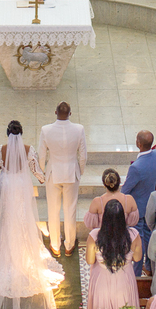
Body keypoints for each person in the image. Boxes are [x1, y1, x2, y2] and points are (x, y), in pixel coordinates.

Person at [0, 120, 64, 309]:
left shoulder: (1, 149)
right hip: (21, 185)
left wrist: (4, 165)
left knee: (6, 217)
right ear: (22, 133)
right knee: (23, 219)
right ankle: (24, 256)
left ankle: (6, 253)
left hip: (8, 184)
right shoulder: (28, 149)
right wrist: (43, 179)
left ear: (7, 133)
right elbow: (35, 170)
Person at [36, 101, 89, 256]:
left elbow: (42, 155)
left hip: (53, 174)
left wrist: (42, 173)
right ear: (70, 113)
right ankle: (69, 244)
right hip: (72, 173)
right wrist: (81, 171)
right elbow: (83, 155)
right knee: (70, 210)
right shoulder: (79, 129)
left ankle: (55, 245)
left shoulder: (46, 130)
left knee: (53, 210)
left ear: (55, 112)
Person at [85, 200, 142, 309]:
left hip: (102, 281)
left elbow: (90, 260)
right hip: (124, 280)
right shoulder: (133, 235)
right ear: (123, 218)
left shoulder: (94, 235)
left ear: (104, 217)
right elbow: (137, 258)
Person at [121, 130, 156, 272]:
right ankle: (151, 266)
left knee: (138, 241)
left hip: (138, 208)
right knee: (148, 236)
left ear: (138, 144)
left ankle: (137, 272)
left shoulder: (136, 168)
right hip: (150, 204)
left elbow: (125, 190)